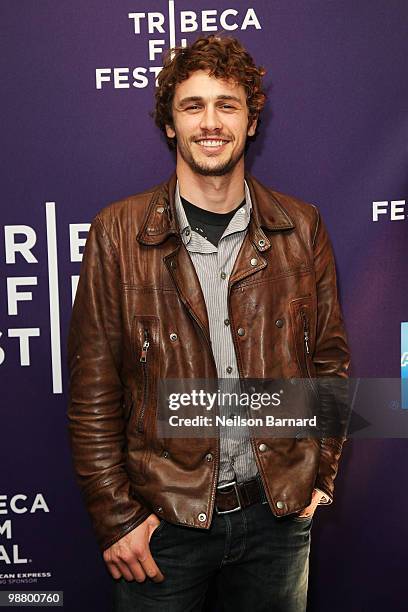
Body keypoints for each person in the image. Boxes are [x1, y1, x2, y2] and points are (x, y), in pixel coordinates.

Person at [67, 34, 350, 612]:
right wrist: (117, 516)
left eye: (227, 105)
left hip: (278, 522)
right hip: (161, 525)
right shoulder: (117, 233)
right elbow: (93, 390)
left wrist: (320, 473)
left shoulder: (301, 227)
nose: (210, 122)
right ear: (170, 124)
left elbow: (329, 362)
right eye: (192, 106)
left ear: (251, 122)